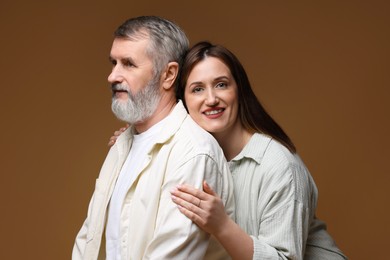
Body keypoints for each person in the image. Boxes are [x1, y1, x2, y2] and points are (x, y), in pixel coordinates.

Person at [110, 41, 347, 259]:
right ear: (182, 101)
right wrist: (138, 145)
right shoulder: (191, 157)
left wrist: (221, 225)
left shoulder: (279, 165)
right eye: (197, 89)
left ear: (239, 90)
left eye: (221, 85)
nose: (211, 99)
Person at [73, 17, 235, 260]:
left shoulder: (193, 153)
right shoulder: (122, 144)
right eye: (114, 63)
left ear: (169, 74)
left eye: (128, 64)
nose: (113, 76)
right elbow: (89, 238)